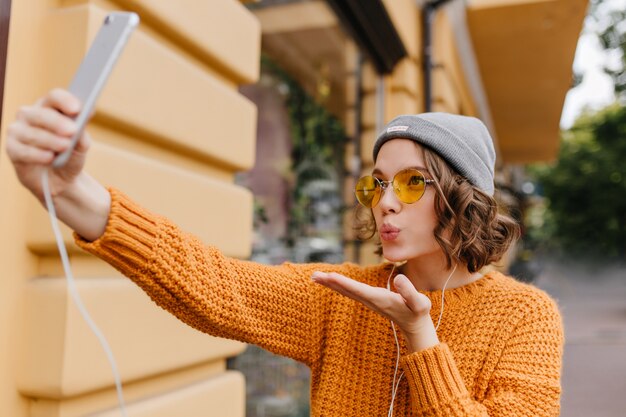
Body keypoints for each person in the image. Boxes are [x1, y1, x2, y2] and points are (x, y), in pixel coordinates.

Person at [6, 89, 564, 416]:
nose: (386, 203)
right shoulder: (342, 292)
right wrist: (72, 195)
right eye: (376, 184)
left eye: (413, 182)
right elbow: (216, 284)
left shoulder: (527, 317)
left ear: (465, 198)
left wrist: (420, 338)